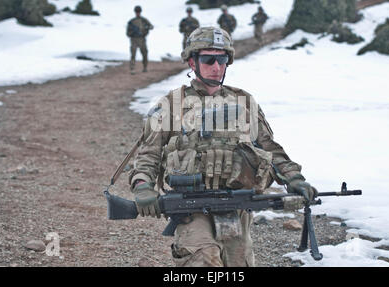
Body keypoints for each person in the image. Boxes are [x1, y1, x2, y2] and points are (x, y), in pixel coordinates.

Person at [129, 26, 317, 267]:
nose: (216, 67)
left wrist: (294, 178)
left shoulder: (244, 101)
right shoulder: (172, 104)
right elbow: (149, 154)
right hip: (190, 205)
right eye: (208, 59)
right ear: (192, 62)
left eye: (222, 59)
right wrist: (143, 186)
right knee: (203, 259)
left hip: (236, 204)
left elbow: (269, 148)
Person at [126, 5, 154, 74]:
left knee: (144, 53)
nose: (138, 13)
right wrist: (133, 33)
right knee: (133, 54)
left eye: (138, 12)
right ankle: (132, 69)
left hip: (142, 39)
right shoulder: (131, 22)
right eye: (136, 12)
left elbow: (151, 26)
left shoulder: (144, 20)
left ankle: (145, 67)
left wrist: (145, 29)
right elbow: (128, 33)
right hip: (134, 40)